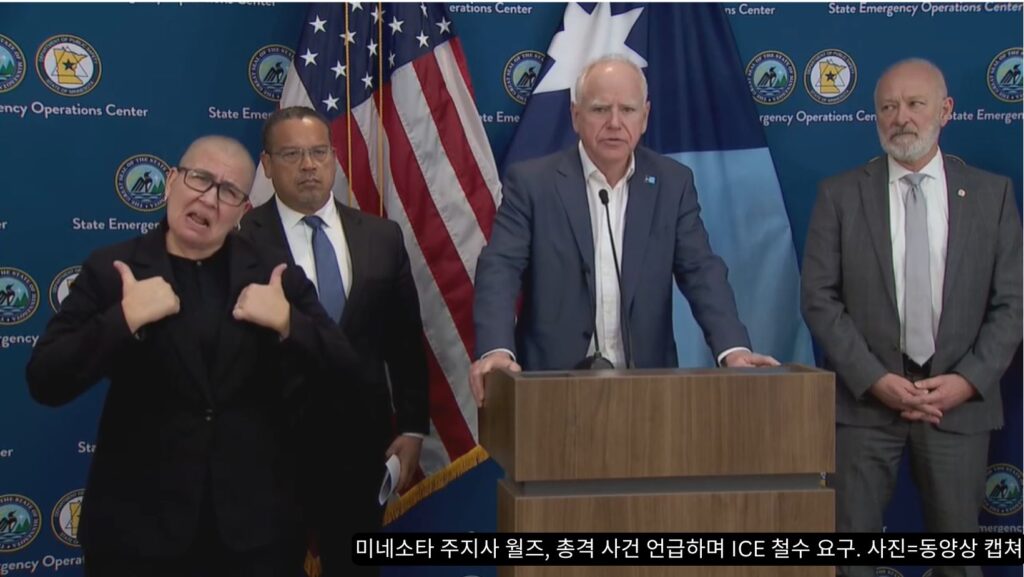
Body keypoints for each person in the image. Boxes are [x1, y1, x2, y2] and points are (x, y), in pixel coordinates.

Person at [26, 135, 364, 577]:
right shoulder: (113, 269)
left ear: (243, 210)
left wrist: (289, 323)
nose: (208, 199)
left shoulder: (273, 274)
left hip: (256, 537)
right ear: (171, 181)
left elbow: (347, 372)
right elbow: (45, 379)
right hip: (137, 536)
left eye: (228, 191)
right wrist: (122, 320)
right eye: (199, 179)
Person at [801, 58, 1022, 577]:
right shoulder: (840, 195)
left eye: (915, 104)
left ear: (945, 111)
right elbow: (818, 298)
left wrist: (967, 381)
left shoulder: (992, 195)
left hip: (957, 408)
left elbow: (1013, 303)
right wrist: (875, 379)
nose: (901, 117)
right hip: (865, 405)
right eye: (888, 107)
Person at [470, 54, 778, 405]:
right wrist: (496, 350)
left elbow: (701, 271)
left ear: (644, 117)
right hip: (550, 389)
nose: (615, 123)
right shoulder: (532, 183)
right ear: (575, 116)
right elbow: (500, 268)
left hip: (647, 389)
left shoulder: (672, 183)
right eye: (600, 109)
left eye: (627, 110)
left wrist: (733, 349)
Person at [240, 106, 429, 577]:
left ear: (334, 158)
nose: (309, 165)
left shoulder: (381, 237)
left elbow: (405, 342)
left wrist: (412, 428)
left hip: (361, 451)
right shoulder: (240, 241)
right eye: (292, 154)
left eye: (319, 152)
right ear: (267, 165)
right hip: (266, 453)